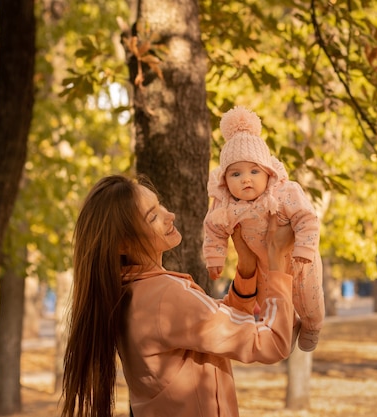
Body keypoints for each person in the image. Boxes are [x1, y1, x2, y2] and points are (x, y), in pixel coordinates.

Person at [60, 174, 298, 417]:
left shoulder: (134, 293)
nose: (169, 215)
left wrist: (246, 269)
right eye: (152, 216)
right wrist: (277, 258)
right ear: (123, 245)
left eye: (159, 204)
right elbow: (272, 343)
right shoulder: (166, 297)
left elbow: (227, 327)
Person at [203, 106, 325, 352]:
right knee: (269, 300)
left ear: (268, 172)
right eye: (236, 174)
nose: (246, 179)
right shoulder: (225, 204)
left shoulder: (284, 192)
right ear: (225, 180)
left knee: (309, 299)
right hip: (264, 266)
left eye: (254, 171)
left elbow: (307, 218)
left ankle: (312, 325)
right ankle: (286, 328)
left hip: (301, 262)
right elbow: (213, 229)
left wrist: (304, 246)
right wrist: (215, 257)